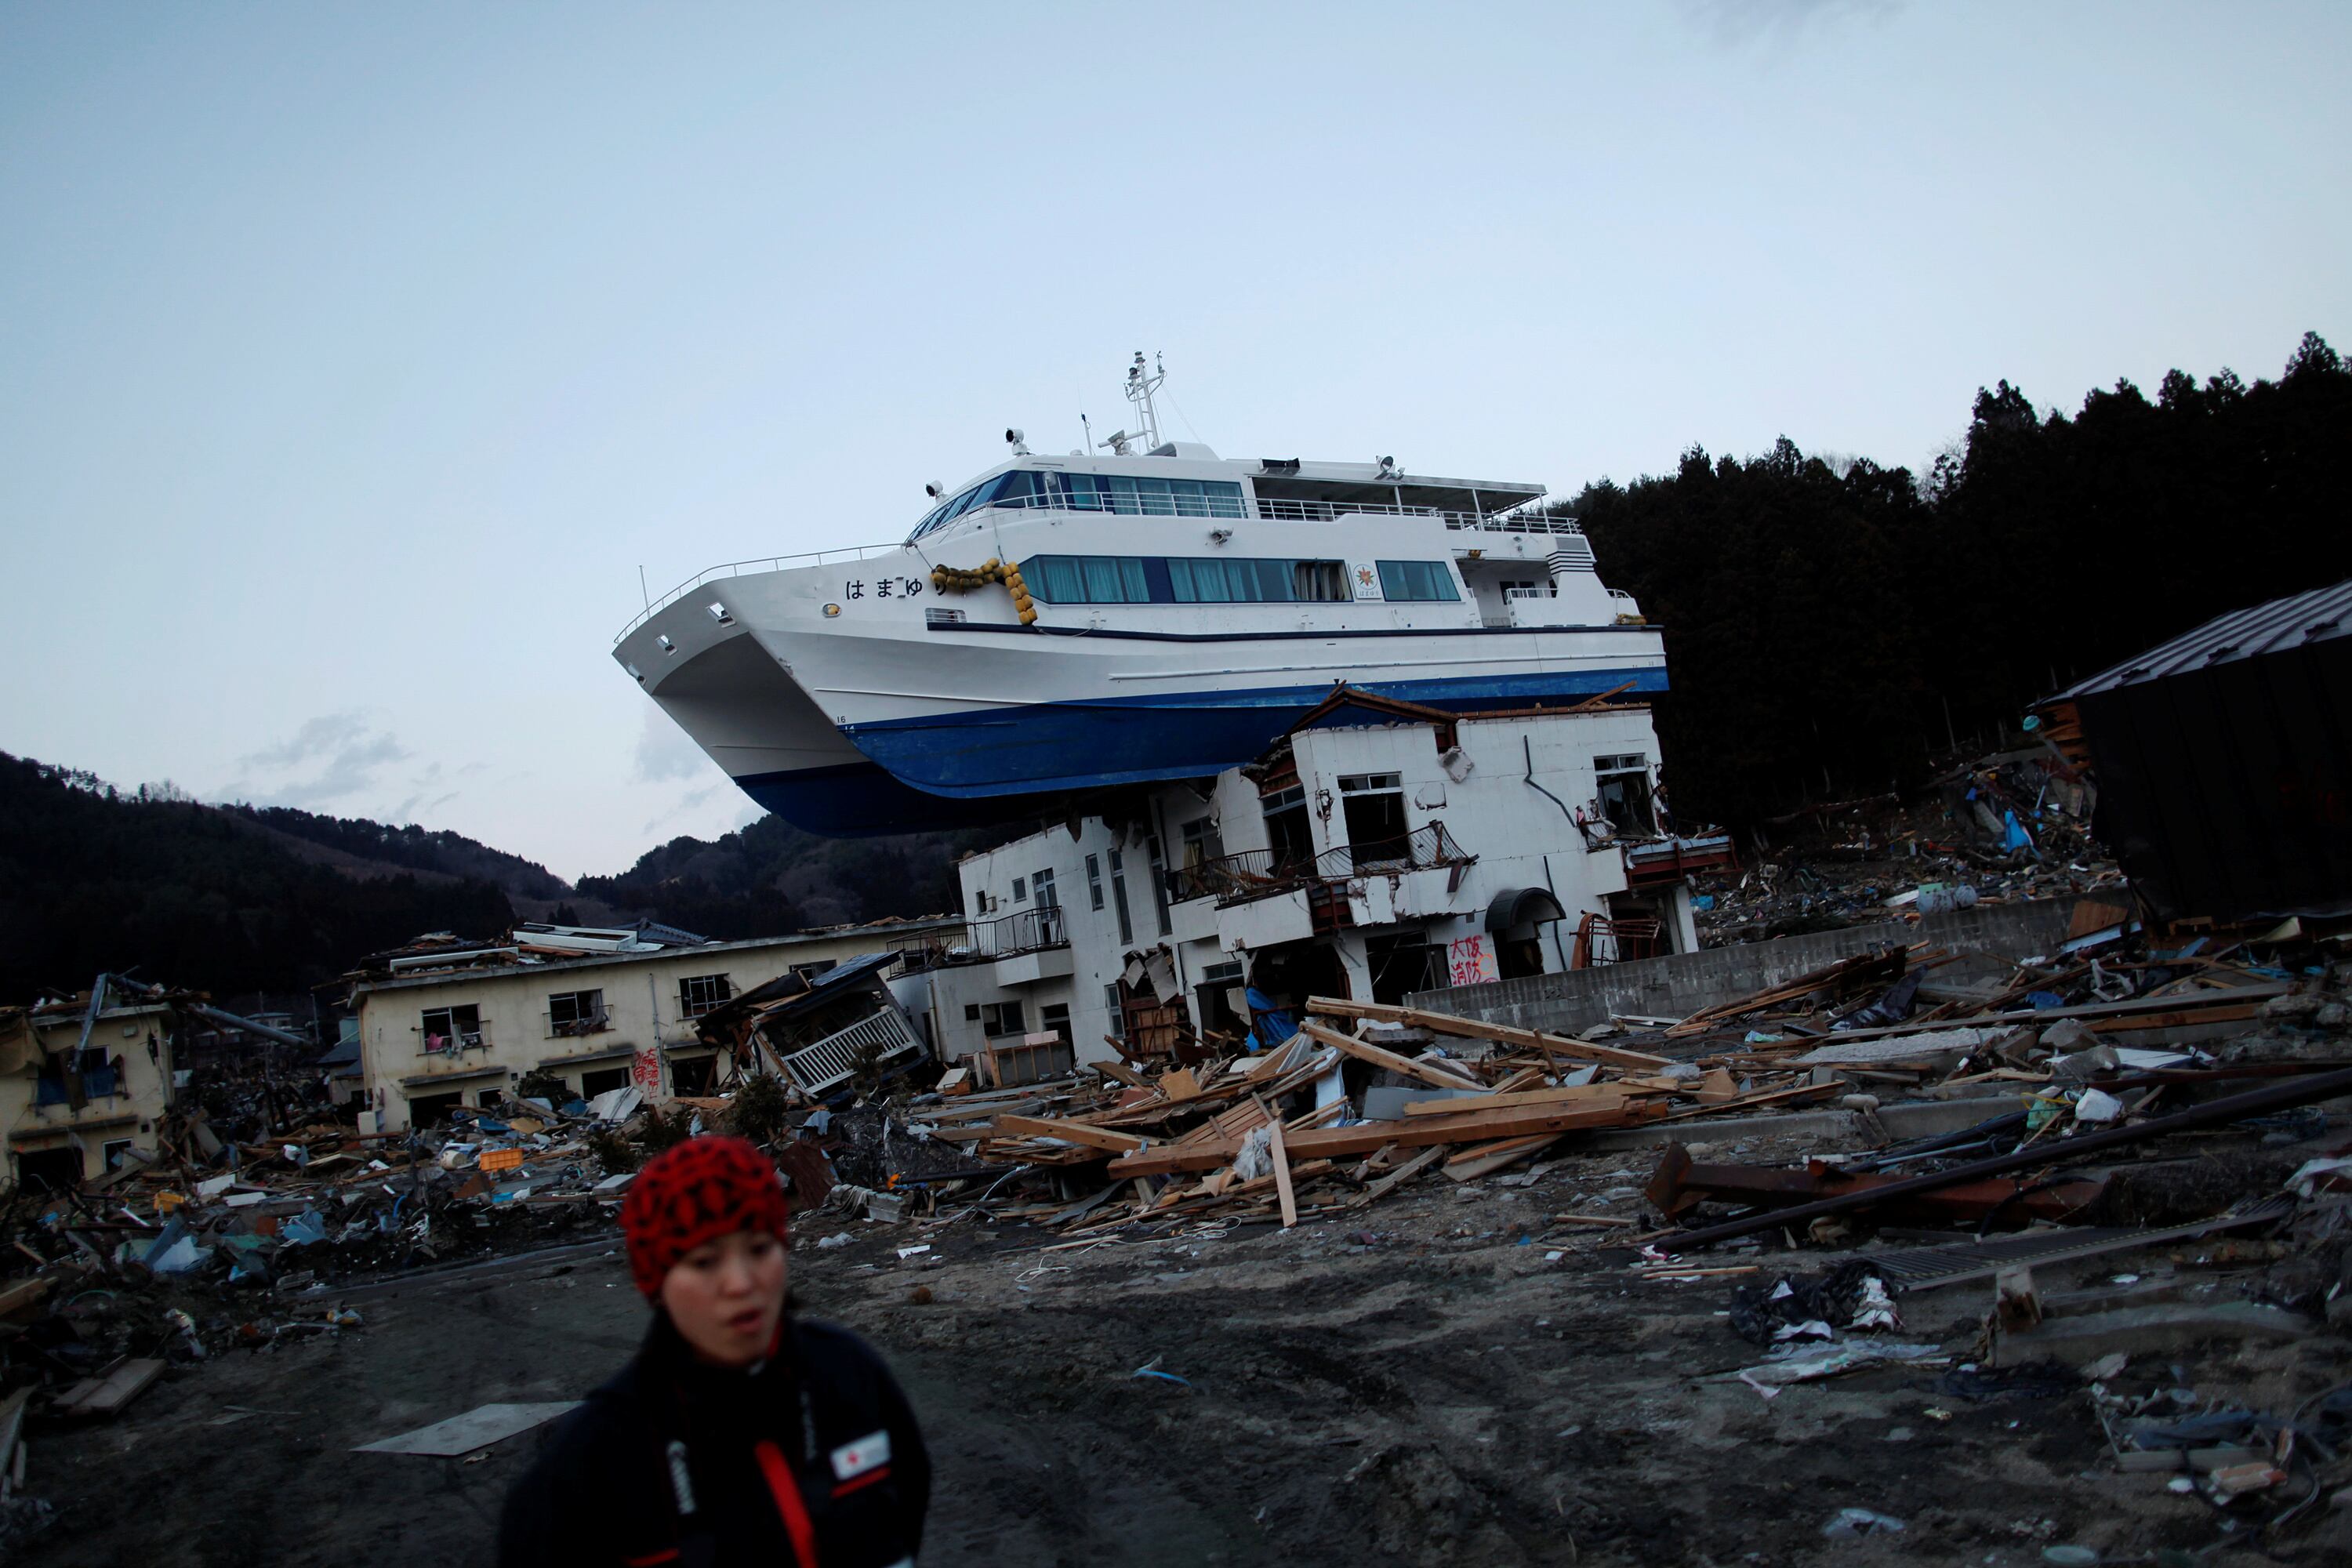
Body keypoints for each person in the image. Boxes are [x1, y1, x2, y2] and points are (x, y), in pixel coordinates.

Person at [500, 1135, 929, 1567]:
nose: (741, 1283)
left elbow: (907, 1507)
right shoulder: (597, 1460)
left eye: (758, 1248)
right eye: (705, 1261)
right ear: (659, 1281)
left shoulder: (847, 1373)